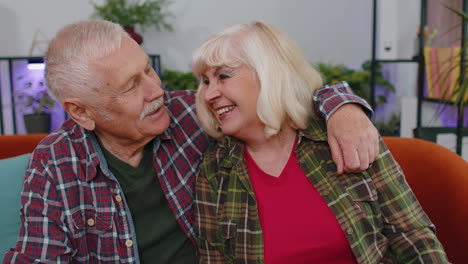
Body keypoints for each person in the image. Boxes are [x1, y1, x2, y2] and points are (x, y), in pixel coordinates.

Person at [3, 20, 378, 263]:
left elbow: (279, 92)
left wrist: (342, 108)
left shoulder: (191, 114)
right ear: (81, 113)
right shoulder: (55, 162)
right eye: (132, 85)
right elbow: (38, 255)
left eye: (148, 69)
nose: (157, 90)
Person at [193, 21, 449, 263]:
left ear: (269, 74)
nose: (209, 94)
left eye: (223, 76)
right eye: (205, 82)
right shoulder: (215, 170)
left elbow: (413, 236)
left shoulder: (347, 132)